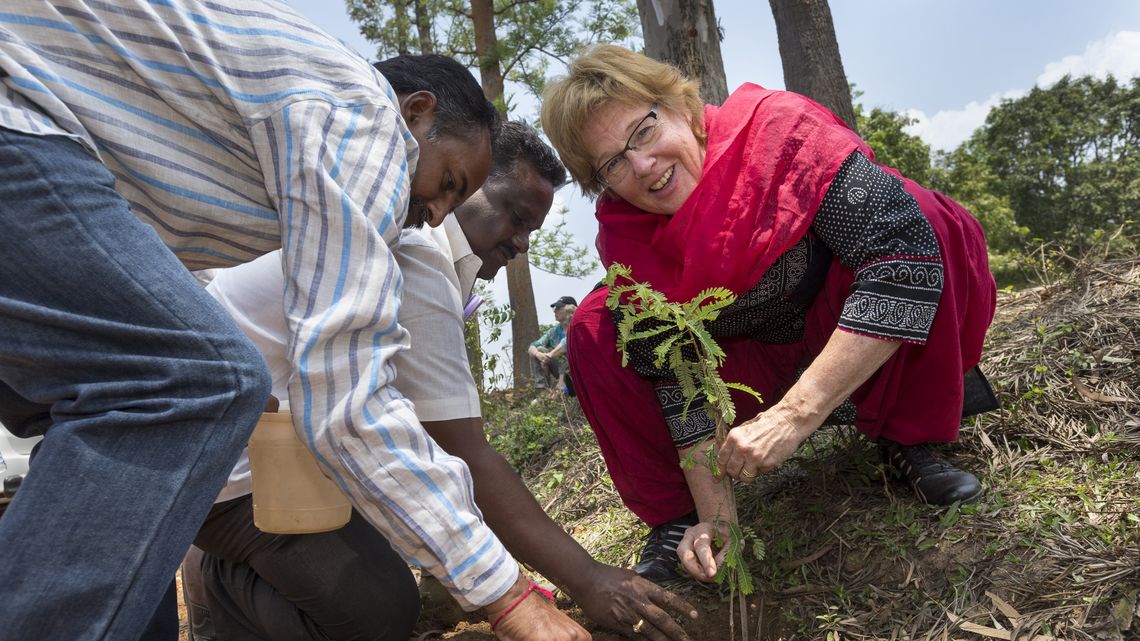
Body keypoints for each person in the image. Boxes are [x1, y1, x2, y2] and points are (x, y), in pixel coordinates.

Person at [0, 2, 503, 638]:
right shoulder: (366, 115)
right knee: (200, 381)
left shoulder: (277, 158)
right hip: (15, 115)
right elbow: (348, 397)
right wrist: (504, 594)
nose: (435, 215)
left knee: (97, 409)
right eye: (449, 183)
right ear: (416, 111)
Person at [182, 122, 697, 641]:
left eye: (530, 231)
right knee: (377, 612)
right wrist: (587, 580)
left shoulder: (422, 252)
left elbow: (421, 430)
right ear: (465, 185)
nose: (520, 242)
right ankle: (219, 579)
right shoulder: (416, 253)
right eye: (515, 217)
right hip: (227, 476)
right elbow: (467, 454)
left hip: (281, 451)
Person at [540, 44, 998, 585]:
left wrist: (795, 416)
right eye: (612, 163)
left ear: (681, 109)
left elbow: (902, 257)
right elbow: (679, 378)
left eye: (643, 131)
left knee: (923, 215)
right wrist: (718, 519)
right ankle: (676, 518)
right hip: (750, 369)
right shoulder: (626, 240)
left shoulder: (780, 135)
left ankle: (910, 436)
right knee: (594, 327)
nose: (642, 165)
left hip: (841, 334)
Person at [528, 296, 578, 389]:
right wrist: (539, 355)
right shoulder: (554, 332)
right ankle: (543, 389)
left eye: (558, 308)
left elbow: (566, 343)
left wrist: (549, 355)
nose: (555, 311)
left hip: (580, 369)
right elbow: (532, 346)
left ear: (569, 309)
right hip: (563, 372)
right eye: (554, 309)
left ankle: (563, 384)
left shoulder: (578, 326)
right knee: (539, 349)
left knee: (565, 353)